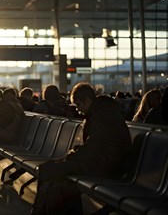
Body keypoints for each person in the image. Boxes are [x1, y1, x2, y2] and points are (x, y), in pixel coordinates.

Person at [31, 83, 132, 215]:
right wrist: (73, 155)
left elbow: (92, 146)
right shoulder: (102, 112)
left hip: (106, 166)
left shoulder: (102, 115)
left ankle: (37, 212)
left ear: (87, 101)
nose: (78, 110)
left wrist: (71, 157)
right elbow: (94, 145)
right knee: (55, 178)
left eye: (79, 105)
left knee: (47, 170)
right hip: (104, 162)